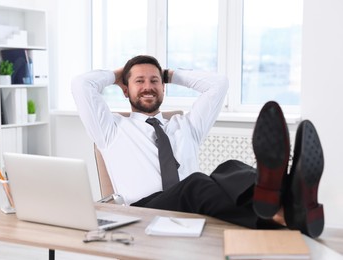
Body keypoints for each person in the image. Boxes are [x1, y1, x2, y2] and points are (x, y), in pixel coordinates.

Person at [72, 55, 324, 238]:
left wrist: (170, 73)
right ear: (126, 90)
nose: (148, 86)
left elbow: (219, 84)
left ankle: (287, 199)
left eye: (155, 80)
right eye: (139, 81)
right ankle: (283, 216)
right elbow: (82, 85)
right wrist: (118, 73)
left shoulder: (185, 126)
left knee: (229, 168)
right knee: (196, 182)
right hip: (141, 214)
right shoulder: (111, 129)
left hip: (190, 208)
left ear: (163, 87)